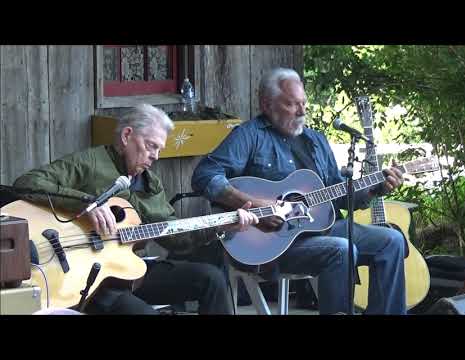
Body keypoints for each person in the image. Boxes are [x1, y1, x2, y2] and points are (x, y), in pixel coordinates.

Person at [191, 68, 407, 315]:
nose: (302, 111)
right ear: (267, 104)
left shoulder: (316, 140)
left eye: (304, 103)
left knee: (392, 241)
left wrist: (375, 189)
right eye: (292, 104)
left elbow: (339, 194)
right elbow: (204, 175)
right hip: (273, 241)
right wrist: (252, 205)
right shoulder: (248, 136)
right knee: (342, 249)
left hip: (323, 228)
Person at [13, 103, 258, 315]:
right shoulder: (89, 163)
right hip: (92, 281)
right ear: (127, 136)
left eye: (159, 149)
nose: (156, 156)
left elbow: (177, 240)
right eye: (151, 146)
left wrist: (223, 225)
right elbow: (27, 183)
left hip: (130, 271)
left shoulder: (151, 184)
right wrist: (86, 204)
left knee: (211, 279)